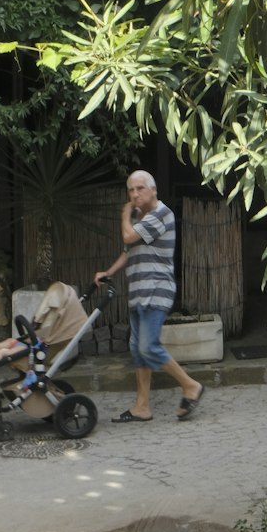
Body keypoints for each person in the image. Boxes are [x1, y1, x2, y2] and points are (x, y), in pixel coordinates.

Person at [94, 170, 205, 424]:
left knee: (148, 346)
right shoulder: (140, 218)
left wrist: (124, 215)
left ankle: (190, 386)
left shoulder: (161, 214)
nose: (134, 195)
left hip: (156, 290)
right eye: (131, 190)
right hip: (139, 292)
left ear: (153, 190)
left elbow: (128, 236)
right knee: (137, 350)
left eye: (139, 189)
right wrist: (108, 272)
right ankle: (142, 406)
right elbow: (129, 250)